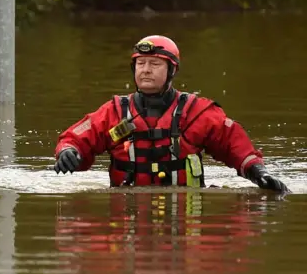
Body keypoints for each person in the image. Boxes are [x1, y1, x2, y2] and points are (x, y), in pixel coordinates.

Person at [54, 35, 289, 194]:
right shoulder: (114, 113)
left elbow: (235, 145)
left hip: (185, 221)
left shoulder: (197, 113)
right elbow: (76, 137)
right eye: (141, 64)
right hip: (128, 217)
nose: (145, 70)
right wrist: (68, 152)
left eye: (154, 64)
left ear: (172, 71)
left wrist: (258, 172)